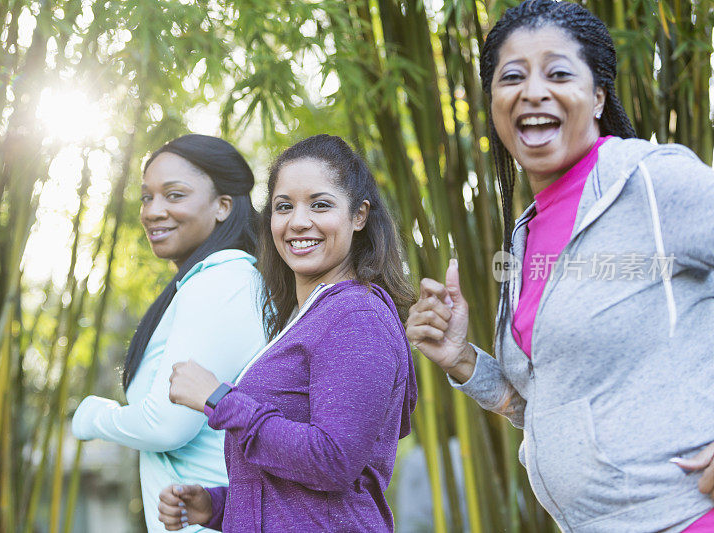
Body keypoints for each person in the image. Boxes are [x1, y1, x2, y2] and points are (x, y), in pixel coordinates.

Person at [406, 1, 714, 531]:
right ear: (494, 103)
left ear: (597, 97)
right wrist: (462, 360)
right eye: (513, 77)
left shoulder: (652, 182)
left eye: (558, 73)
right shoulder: (526, 237)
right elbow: (551, 411)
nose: (533, 91)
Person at [155, 134, 418, 532]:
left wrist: (219, 400)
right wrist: (218, 505)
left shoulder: (356, 316)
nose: (298, 221)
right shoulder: (307, 315)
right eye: (284, 207)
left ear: (359, 215)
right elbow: (298, 493)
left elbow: (333, 462)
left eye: (320, 204)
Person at [71, 134, 266, 532]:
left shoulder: (222, 280)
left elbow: (168, 424)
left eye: (174, 196)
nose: (153, 211)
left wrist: (92, 416)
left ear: (223, 206)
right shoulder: (212, 280)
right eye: (147, 197)